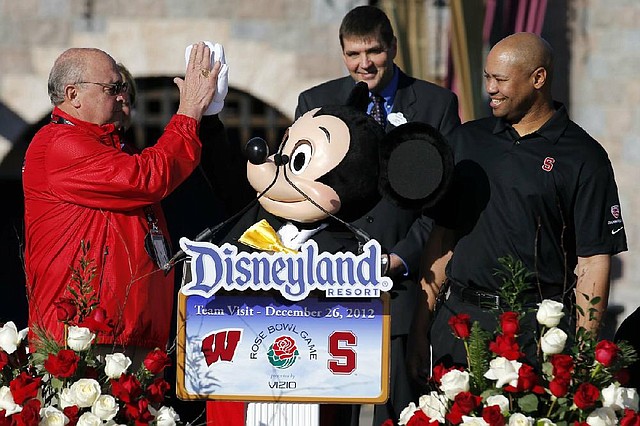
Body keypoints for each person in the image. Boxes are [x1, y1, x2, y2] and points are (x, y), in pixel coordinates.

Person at [416, 32, 628, 372]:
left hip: (538, 333)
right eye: (487, 77)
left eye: (500, 79)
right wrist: (419, 331)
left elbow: (592, 262)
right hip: (459, 327)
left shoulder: (584, 157)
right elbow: (441, 240)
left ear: (538, 78)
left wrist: (584, 354)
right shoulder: (466, 141)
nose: (490, 88)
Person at [295, 5, 460, 426]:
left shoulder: (437, 104)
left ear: (393, 48)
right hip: (329, 285)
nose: (363, 63)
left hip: (401, 286)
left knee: (400, 409)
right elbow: (302, 194)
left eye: (373, 51)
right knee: (329, 411)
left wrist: (402, 258)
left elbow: (443, 202)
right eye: (353, 54)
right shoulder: (315, 102)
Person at [22, 43, 220, 358]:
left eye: (123, 88)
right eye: (112, 88)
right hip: (84, 339)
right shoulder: (59, 144)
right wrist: (189, 111)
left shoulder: (112, 148)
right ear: (73, 94)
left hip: (129, 335)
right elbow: (147, 177)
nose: (121, 97)